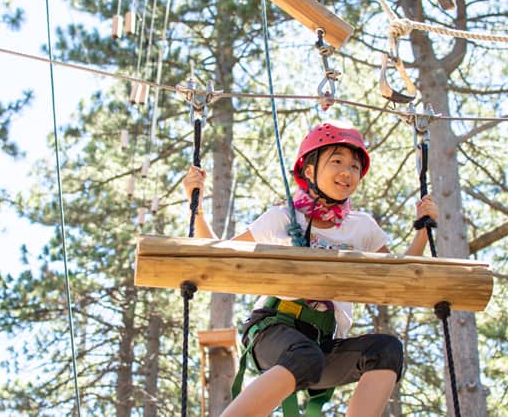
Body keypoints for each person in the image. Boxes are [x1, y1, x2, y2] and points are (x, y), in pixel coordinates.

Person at [182, 120, 439, 417]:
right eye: (337, 161)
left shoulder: (363, 228)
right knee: (305, 356)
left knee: (386, 350)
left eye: (355, 167)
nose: (347, 172)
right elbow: (219, 256)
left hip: (322, 346)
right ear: (309, 171)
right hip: (273, 330)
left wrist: (423, 229)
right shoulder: (282, 219)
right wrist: (196, 206)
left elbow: (400, 277)